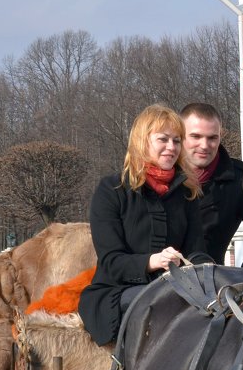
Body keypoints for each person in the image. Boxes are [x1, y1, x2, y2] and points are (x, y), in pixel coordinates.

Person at [79, 104, 208, 345]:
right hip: (116, 293)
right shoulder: (112, 190)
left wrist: (206, 275)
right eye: (163, 139)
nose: (171, 147)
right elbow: (111, 261)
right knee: (166, 300)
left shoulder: (187, 192)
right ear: (142, 141)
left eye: (177, 140)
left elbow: (197, 250)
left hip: (176, 286)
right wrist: (154, 261)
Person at [179, 102, 243, 265]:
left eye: (212, 138)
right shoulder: (161, 176)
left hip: (211, 282)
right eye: (196, 136)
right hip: (158, 282)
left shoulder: (241, 180)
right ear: (180, 135)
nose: (204, 145)